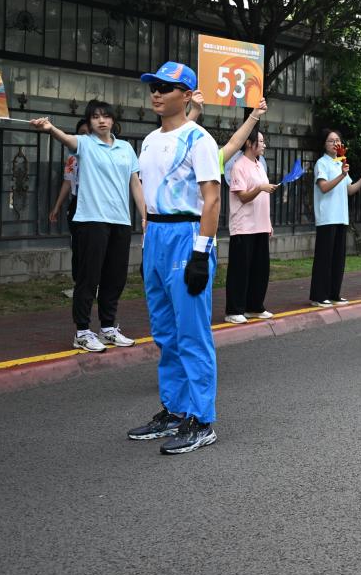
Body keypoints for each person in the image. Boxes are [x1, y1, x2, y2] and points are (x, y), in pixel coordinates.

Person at [126, 61, 221, 454]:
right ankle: (175, 410)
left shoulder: (199, 140)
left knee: (192, 333)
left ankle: (202, 419)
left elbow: (212, 198)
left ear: (186, 95)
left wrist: (201, 252)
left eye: (166, 87)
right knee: (165, 333)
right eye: (153, 86)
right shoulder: (148, 141)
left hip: (186, 236)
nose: (157, 93)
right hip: (156, 237)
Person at [32, 102, 143, 353]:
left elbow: (135, 183)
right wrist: (50, 128)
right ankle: (82, 331)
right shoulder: (85, 144)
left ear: (113, 120)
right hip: (91, 220)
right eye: (95, 117)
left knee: (115, 278)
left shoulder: (126, 148)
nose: (101, 121)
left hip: (120, 221)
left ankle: (108, 328)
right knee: (88, 277)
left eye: (105, 116)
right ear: (89, 122)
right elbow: (66, 139)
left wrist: (145, 215)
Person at [309, 129, 361, 306]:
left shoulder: (340, 163)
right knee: (324, 258)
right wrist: (342, 175)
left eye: (338, 140)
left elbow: (349, 189)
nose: (335, 144)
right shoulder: (322, 163)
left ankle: (334, 293)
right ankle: (319, 296)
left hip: (341, 217)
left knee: (338, 258)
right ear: (324, 144)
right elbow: (323, 187)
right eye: (331, 141)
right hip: (327, 217)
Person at [223, 128, 276, 324]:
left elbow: (263, 197)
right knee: (240, 270)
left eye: (263, 141)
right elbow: (243, 196)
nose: (263, 145)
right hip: (244, 226)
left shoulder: (259, 165)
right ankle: (234, 309)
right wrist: (261, 188)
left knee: (260, 269)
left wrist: (268, 224)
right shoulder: (239, 166)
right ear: (249, 143)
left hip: (261, 225)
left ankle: (255, 306)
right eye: (260, 141)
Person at [49, 117, 91, 295]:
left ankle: (95, 284)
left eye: (89, 133)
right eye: (81, 134)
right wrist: (57, 207)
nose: (85, 137)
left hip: (96, 205)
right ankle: (79, 284)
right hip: (77, 204)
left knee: (95, 246)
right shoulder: (73, 158)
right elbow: (68, 182)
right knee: (78, 246)